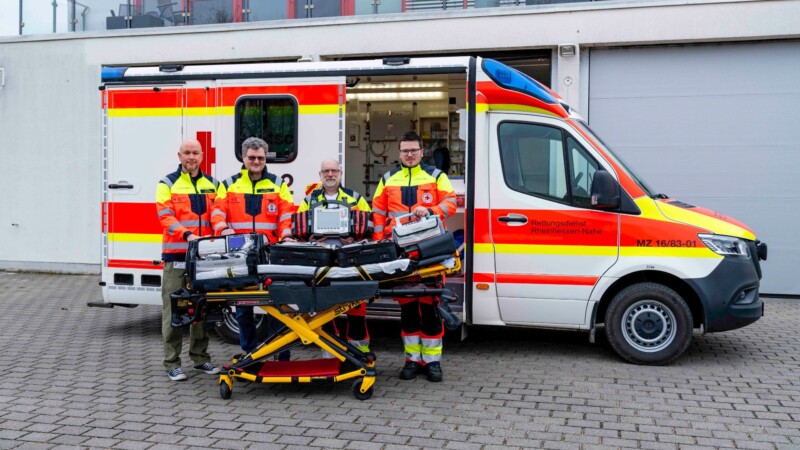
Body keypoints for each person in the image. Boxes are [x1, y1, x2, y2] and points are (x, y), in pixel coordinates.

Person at [371, 131, 457, 382]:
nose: (409, 154)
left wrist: (429, 210)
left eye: (413, 150)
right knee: (408, 309)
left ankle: (432, 363)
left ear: (421, 152)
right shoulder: (388, 179)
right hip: (400, 253)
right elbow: (377, 213)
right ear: (399, 153)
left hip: (431, 251)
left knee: (430, 308)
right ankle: (411, 359)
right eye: (405, 150)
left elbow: (451, 203)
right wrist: (380, 246)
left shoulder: (436, 176)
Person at [211, 137, 296, 358]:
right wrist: (222, 230)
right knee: (243, 306)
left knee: (279, 304)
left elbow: (286, 215)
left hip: (271, 253)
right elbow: (217, 213)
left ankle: (281, 353)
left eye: (260, 157)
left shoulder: (278, 184)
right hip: (241, 256)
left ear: (265, 157)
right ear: (243, 157)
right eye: (252, 157)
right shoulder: (229, 184)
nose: (256, 161)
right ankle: (250, 353)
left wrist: (286, 236)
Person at [156, 138, 221, 381]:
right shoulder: (167, 183)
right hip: (177, 255)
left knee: (201, 308)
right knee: (173, 308)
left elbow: (217, 214)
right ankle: (171, 362)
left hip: (205, 256)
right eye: (186, 153)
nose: (191, 157)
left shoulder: (213, 184)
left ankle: (200, 358)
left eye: (195, 153)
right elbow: (165, 217)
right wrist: (187, 234)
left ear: (202, 156)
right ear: (179, 155)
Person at [296, 159, 372, 355]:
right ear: (320, 175)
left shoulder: (355, 198)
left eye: (333, 171)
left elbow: (370, 226)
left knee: (356, 309)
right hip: (321, 263)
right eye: (326, 171)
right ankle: (330, 356)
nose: (330, 174)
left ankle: (359, 355)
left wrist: (354, 236)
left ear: (340, 173)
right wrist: (310, 237)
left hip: (350, 261)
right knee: (325, 312)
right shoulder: (309, 200)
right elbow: (297, 230)